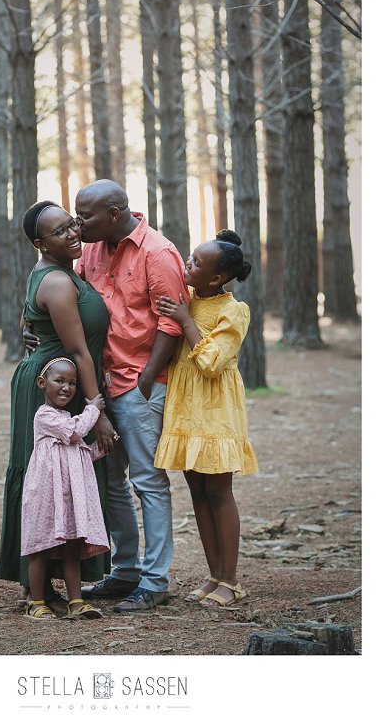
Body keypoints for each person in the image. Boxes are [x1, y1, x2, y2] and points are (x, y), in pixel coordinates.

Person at [74, 180, 190, 612]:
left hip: (138, 386)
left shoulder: (157, 253)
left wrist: (145, 381)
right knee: (112, 482)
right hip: (100, 388)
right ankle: (125, 572)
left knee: (148, 482)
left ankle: (156, 581)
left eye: (85, 215)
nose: (77, 222)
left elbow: (172, 324)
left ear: (117, 211)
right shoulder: (91, 250)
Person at [0, 201, 116, 612]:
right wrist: (97, 413)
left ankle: (45, 586)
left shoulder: (60, 271)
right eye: (60, 231)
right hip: (55, 389)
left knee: (60, 481)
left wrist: (27, 327)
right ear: (39, 242)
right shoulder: (59, 282)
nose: (73, 233)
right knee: (43, 482)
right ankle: (37, 589)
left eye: (73, 224)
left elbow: (34, 318)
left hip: (57, 380)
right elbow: (80, 351)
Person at [154, 229, 259, 608]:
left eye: (197, 263)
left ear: (216, 278)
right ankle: (214, 575)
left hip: (216, 411)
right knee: (197, 493)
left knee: (218, 492)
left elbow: (214, 362)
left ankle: (231, 581)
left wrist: (185, 320)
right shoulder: (186, 300)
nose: (188, 263)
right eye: (190, 257)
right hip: (185, 409)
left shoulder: (234, 310)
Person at [22, 355, 109, 620]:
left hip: (69, 497)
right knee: (41, 548)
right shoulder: (46, 416)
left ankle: (76, 601)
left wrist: (100, 449)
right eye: (59, 380)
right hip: (47, 496)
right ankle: (36, 602)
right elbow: (76, 431)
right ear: (42, 383)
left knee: (73, 547)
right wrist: (94, 408)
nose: (67, 387)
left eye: (72, 383)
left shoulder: (65, 419)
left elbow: (77, 452)